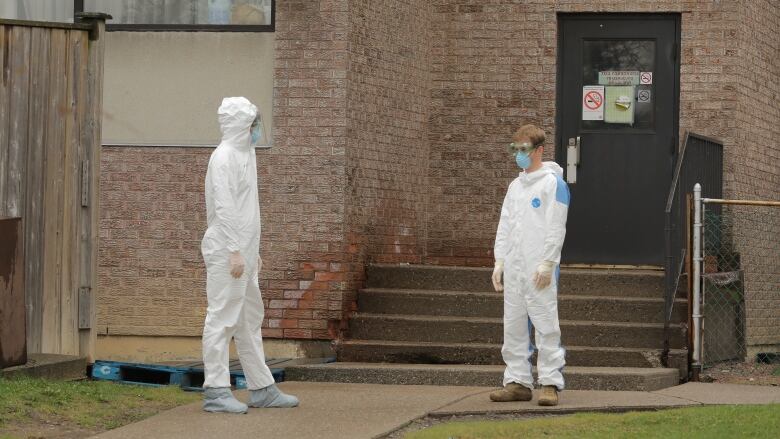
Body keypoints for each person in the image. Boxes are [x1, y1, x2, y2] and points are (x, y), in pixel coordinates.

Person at [201, 97, 298, 413]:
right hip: (227, 253)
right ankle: (216, 390)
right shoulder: (224, 157)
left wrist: (251, 252)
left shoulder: (246, 154)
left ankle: (262, 388)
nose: (257, 129)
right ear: (242, 125)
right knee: (222, 317)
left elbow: (247, 210)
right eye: (254, 123)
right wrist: (233, 250)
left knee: (248, 320)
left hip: (243, 253)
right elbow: (225, 207)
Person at [490, 124, 570, 406]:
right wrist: (500, 260)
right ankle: (517, 382)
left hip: (539, 267)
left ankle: (550, 383)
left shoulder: (552, 184)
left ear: (539, 151)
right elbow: (505, 225)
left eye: (523, 150)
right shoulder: (515, 186)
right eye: (515, 150)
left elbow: (556, 226)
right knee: (512, 325)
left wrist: (548, 262)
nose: (518, 155)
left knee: (546, 323)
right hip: (515, 267)